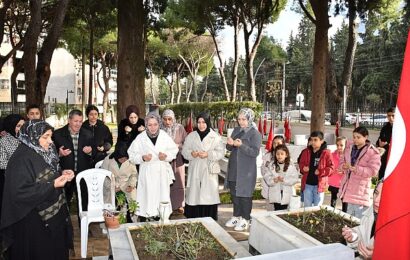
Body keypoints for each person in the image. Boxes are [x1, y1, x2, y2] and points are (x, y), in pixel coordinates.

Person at [0, 120, 74, 260]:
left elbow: (49, 174)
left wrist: (62, 174)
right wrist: (52, 185)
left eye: (50, 136)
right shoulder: (21, 159)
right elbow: (20, 192)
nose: (50, 141)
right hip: (32, 223)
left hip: (53, 218)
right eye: (45, 137)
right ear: (32, 136)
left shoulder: (44, 152)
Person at [127, 112, 178, 221]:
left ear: (159, 124)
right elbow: (131, 155)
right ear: (146, 125)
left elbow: (174, 150)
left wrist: (166, 156)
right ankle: (147, 221)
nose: (153, 127)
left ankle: (163, 220)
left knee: (162, 198)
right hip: (147, 172)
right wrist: (142, 158)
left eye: (155, 124)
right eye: (150, 125)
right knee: (148, 200)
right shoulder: (141, 138)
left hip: (161, 171)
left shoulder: (164, 136)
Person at [181, 112, 224, 220]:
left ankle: (209, 219)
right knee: (194, 195)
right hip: (195, 167)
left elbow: (220, 153)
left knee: (208, 194)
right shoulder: (191, 136)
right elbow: (184, 151)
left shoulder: (215, 137)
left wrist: (208, 154)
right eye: (199, 122)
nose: (201, 125)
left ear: (208, 122)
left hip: (208, 169)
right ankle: (194, 218)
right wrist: (192, 153)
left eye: (204, 122)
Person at [225, 108, 262, 231]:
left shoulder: (255, 134)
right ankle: (236, 216)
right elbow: (229, 148)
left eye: (244, 119)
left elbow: (255, 152)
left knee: (245, 195)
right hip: (234, 169)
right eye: (239, 119)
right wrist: (229, 143)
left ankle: (245, 219)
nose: (241, 122)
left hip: (246, 171)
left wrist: (241, 145)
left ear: (250, 119)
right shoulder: (236, 130)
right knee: (234, 194)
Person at [53, 109, 94, 210]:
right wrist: (59, 154)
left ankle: (83, 224)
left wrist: (90, 151)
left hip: (83, 173)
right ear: (69, 120)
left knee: (84, 202)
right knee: (63, 203)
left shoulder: (88, 134)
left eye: (80, 121)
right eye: (76, 121)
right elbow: (50, 156)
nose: (78, 124)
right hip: (65, 174)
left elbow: (96, 154)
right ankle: (64, 224)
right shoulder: (57, 134)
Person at [339, 126, 381, 219]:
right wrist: (343, 166)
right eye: (354, 137)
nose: (355, 140)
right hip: (347, 188)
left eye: (358, 137)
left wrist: (356, 169)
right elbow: (341, 160)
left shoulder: (373, 152)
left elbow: (373, 171)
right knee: (347, 219)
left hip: (360, 190)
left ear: (366, 137)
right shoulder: (349, 148)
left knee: (357, 221)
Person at [342, 181, 383, 259]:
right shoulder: (372, 212)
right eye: (376, 193)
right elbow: (363, 233)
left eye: (384, 195)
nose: (376, 200)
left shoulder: (401, 226)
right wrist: (354, 237)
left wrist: (378, 255)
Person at [161, 109, 187, 214]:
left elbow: (187, 143)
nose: (167, 122)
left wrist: (178, 146)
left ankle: (179, 204)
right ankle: (167, 204)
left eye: (170, 119)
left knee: (178, 181)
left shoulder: (179, 128)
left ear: (173, 118)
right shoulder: (160, 129)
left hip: (177, 159)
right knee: (165, 182)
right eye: (165, 119)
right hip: (164, 160)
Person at [298, 131, 334, 207]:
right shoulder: (305, 151)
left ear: (322, 141)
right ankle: (307, 219)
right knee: (307, 206)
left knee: (317, 207)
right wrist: (303, 168)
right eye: (311, 140)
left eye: (315, 140)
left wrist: (321, 172)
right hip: (307, 183)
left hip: (319, 185)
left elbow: (331, 168)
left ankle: (315, 219)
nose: (313, 142)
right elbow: (301, 163)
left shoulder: (327, 153)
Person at [0, 114, 24, 222]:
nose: (21, 129)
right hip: (11, 182)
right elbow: (2, 163)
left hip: (28, 181)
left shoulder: (28, 139)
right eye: (18, 126)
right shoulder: (3, 141)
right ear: (11, 126)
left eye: (23, 126)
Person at [261, 145, 299, 211]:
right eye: (277, 154)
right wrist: (274, 180)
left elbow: (295, 178)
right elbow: (267, 176)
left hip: (286, 192)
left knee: (285, 210)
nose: (279, 156)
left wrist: (284, 180)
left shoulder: (291, 166)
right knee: (277, 210)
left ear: (286, 155)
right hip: (276, 192)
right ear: (275, 155)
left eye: (282, 154)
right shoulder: (271, 165)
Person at [328, 136, 347, 211]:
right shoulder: (332, 155)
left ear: (346, 145)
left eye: (341, 145)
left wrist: (343, 172)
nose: (339, 147)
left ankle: (345, 215)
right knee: (333, 199)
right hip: (334, 181)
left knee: (344, 201)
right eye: (337, 145)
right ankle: (332, 213)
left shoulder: (348, 156)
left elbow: (350, 168)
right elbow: (329, 166)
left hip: (344, 182)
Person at [376, 107, 394, 180]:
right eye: (389, 116)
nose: (391, 118)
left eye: (393, 115)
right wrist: (379, 144)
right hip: (384, 157)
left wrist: (388, 144)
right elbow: (379, 140)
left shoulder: (401, 128)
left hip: (394, 158)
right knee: (382, 177)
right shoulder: (385, 128)